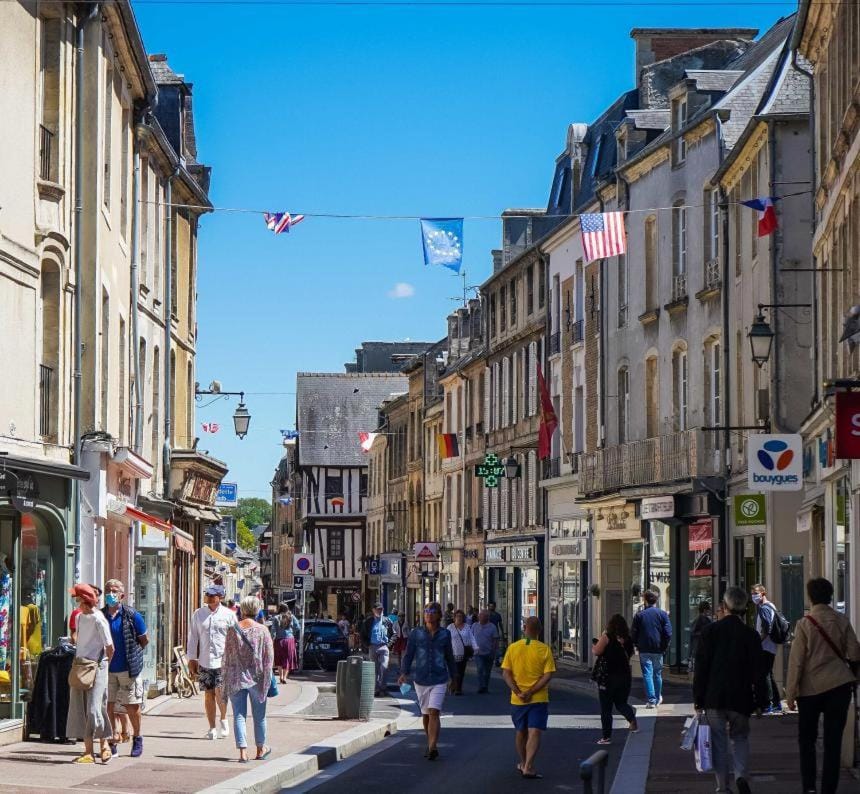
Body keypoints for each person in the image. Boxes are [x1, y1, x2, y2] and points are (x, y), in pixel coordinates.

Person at [786, 577, 860, 794]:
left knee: (806, 739)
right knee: (833, 740)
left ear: (810, 597)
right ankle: (829, 788)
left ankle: (809, 786)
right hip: (839, 685)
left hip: (810, 689)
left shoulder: (804, 624)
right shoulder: (842, 620)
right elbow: (854, 653)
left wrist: (790, 693)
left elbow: (796, 661)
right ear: (830, 595)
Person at [693, 586, 768, 794]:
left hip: (714, 696)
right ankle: (741, 776)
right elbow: (758, 672)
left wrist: (698, 699)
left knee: (718, 742)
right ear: (744, 610)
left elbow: (701, 668)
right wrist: (761, 701)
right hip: (741, 697)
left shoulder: (710, 632)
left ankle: (722, 786)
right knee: (740, 737)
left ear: (724, 607)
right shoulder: (751, 635)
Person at [398, 602, 457, 761]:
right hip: (421, 679)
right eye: (426, 611)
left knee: (434, 711)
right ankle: (429, 740)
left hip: (440, 678)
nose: (429, 614)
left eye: (432, 611)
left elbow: (450, 657)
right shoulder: (416, 633)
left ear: (439, 615)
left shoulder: (445, 634)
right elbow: (409, 654)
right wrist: (404, 673)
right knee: (425, 714)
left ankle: (433, 746)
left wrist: (454, 677)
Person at [221, 596, 274, 763]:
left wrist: (226, 676)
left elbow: (227, 656)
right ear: (257, 609)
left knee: (239, 715)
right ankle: (260, 749)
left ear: (242, 610)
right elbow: (269, 657)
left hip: (236, 677)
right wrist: (268, 676)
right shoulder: (262, 630)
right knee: (260, 716)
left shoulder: (233, 629)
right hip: (257, 678)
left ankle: (243, 753)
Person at [501, 616, 555, 780]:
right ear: (539, 631)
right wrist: (531, 691)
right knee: (535, 731)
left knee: (520, 732)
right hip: (538, 698)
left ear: (525, 628)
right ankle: (529, 766)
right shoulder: (544, 649)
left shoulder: (513, 648)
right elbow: (548, 675)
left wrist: (518, 691)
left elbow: (506, 673)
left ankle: (523, 762)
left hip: (517, 700)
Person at [66, 584, 114, 765]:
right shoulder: (79, 617)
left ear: (85, 601)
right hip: (81, 665)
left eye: (77, 599)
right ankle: (89, 751)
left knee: (95, 709)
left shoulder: (99, 619)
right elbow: (78, 637)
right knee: (81, 708)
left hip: (97, 666)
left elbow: (110, 647)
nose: (76, 602)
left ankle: (104, 745)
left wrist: (104, 667)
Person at [101, 579, 148, 758]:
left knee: (132, 706)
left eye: (114, 591)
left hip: (128, 668)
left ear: (122, 595)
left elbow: (144, 639)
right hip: (107, 668)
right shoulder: (101, 615)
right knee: (109, 706)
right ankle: (113, 738)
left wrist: (133, 655)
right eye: (108, 590)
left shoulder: (131, 614)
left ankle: (137, 737)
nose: (111, 594)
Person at [187, 584, 238, 739]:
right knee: (208, 694)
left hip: (223, 661)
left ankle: (223, 718)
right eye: (207, 595)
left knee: (220, 693)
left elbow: (235, 638)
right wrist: (191, 658)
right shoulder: (199, 614)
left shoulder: (229, 615)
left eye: (212, 595)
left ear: (220, 597)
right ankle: (212, 728)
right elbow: (193, 637)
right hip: (204, 660)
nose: (208, 597)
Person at [593, 614, 638, 745]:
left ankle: (606, 737)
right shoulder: (628, 639)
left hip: (608, 677)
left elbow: (597, 651)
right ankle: (632, 721)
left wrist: (594, 646)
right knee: (621, 703)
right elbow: (630, 654)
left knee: (606, 708)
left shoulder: (607, 637)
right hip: (624, 676)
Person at [631, 589, 672, 708]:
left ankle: (652, 700)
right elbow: (668, 633)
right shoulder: (662, 614)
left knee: (648, 674)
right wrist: (664, 646)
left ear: (645, 600)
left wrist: (636, 645)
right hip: (658, 649)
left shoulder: (639, 616)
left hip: (644, 649)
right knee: (657, 674)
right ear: (656, 600)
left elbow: (633, 633)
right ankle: (658, 697)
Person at [751, 584, 783, 714]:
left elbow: (766, 628)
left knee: (764, 675)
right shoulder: (770, 606)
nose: (753, 596)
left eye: (756, 593)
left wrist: (757, 643)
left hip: (765, 647)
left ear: (763, 593)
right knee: (768, 674)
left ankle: (768, 703)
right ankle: (776, 703)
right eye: (752, 593)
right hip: (770, 646)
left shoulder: (764, 608)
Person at [362, 602, 393, 697]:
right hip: (373, 647)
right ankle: (376, 689)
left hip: (384, 646)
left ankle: (383, 688)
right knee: (374, 670)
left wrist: (389, 644)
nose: (379, 611)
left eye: (381, 609)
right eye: (377, 609)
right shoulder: (368, 621)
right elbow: (362, 634)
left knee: (384, 667)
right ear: (373, 610)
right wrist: (367, 645)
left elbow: (394, 633)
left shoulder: (387, 620)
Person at [447, 610, 478, 695]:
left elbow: (472, 638)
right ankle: (453, 684)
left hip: (464, 652)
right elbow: (446, 640)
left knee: (461, 671)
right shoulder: (450, 627)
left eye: (461, 616)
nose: (459, 618)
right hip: (453, 652)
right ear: (454, 617)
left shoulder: (467, 627)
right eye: (457, 616)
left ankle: (458, 689)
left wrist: (475, 647)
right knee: (454, 671)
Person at [472, 609, 500, 693]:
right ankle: (481, 686)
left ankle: (485, 686)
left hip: (489, 652)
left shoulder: (492, 627)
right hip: (478, 653)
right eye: (480, 615)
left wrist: (494, 651)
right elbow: (471, 637)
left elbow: (495, 640)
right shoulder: (474, 626)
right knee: (480, 669)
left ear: (487, 617)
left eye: (483, 616)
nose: (481, 617)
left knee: (487, 671)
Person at [271, 604, 300, 684]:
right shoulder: (291, 616)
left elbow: (273, 630)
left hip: (279, 641)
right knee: (288, 658)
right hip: (289, 640)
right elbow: (297, 627)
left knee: (279, 659)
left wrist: (272, 639)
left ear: (279, 609)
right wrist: (291, 633)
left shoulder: (276, 618)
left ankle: (280, 676)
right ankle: (285, 677)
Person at [688, 601, 713, 674]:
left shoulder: (704, 619)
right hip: (699, 649)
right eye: (708, 609)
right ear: (705, 610)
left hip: (700, 649)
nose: (709, 611)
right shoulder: (700, 619)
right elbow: (693, 633)